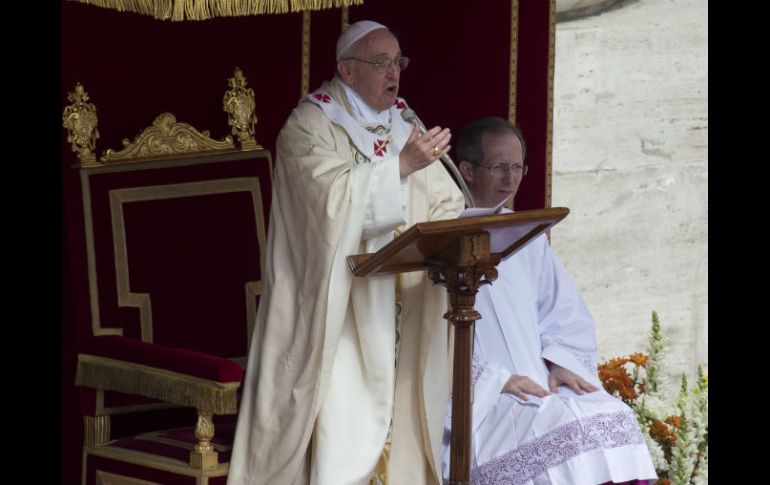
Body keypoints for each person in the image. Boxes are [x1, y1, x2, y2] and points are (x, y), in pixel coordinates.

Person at [227, 21, 465, 485]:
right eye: (381, 63)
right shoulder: (310, 125)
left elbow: (444, 197)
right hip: (338, 312)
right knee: (343, 431)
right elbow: (324, 207)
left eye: (398, 62)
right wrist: (398, 167)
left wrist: (453, 223)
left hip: (402, 303)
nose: (393, 72)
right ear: (347, 70)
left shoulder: (404, 120)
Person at [442, 117, 658, 485]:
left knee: (613, 415)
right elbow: (426, 340)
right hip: (479, 398)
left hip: (539, 382)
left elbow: (563, 312)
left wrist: (560, 361)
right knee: (561, 430)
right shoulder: (439, 238)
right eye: (498, 168)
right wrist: (496, 380)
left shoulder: (526, 233)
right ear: (467, 170)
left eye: (517, 168)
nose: (510, 180)